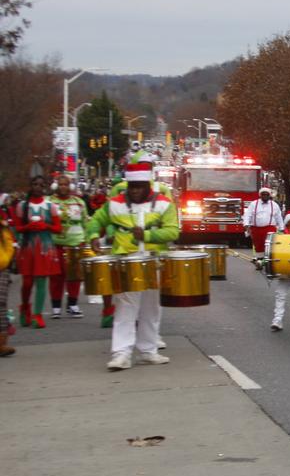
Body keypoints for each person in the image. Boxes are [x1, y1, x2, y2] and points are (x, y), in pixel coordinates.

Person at [87, 157, 179, 370]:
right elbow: (96, 220)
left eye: (139, 187)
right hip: (126, 262)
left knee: (151, 309)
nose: (135, 191)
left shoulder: (164, 204)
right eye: (132, 187)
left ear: (148, 185)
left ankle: (148, 351)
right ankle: (121, 353)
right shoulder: (115, 204)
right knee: (125, 308)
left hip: (153, 261)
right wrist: (93, 234)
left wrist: (146, 235)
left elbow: (173, 231)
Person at [13, 175, 62, 329]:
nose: (37, 187)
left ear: (45, 187)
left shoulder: (50, 206)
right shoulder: (22, 206)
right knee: (27, 282)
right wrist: (28, 228)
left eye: (41, 185)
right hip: (28, 247)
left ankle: (37, 315)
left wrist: (45, 226)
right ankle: (25, 308)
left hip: (45, 247)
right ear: (30, 186)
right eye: (34, 184)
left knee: (41, 281)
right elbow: (17, 228)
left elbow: (58, 228)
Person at [49, 175, 89, 318]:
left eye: (66, 184)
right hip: (56, 245)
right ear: (56, 186)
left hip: (75, 244)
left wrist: (87, 240)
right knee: (56, 276)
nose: (63, 187)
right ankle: (56, 307)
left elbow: (85, 222)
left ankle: (72, 304)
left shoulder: (79, 202)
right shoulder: (49, 202)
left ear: (70, 186)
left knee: (74, 277)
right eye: (61, 184)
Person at [243, 186, 282, 260]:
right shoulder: (253, 204)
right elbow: (248, 215)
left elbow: (278, 217)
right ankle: (259, 260)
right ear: (260, 195)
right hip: (256, 229)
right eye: (263, 194)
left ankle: (268, 260)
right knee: (258, 245)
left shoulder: (274, 205)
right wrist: (246, 224)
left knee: (269, 245)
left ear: (269, 195)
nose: (265, 196)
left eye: (266, 194)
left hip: (269, 228)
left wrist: (282, 227)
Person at [0, 194, 16, 356]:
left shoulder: (2, 217)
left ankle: (2, 342)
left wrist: (7, 259)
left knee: (1, 303)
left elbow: (8, 240)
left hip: (2, 266)